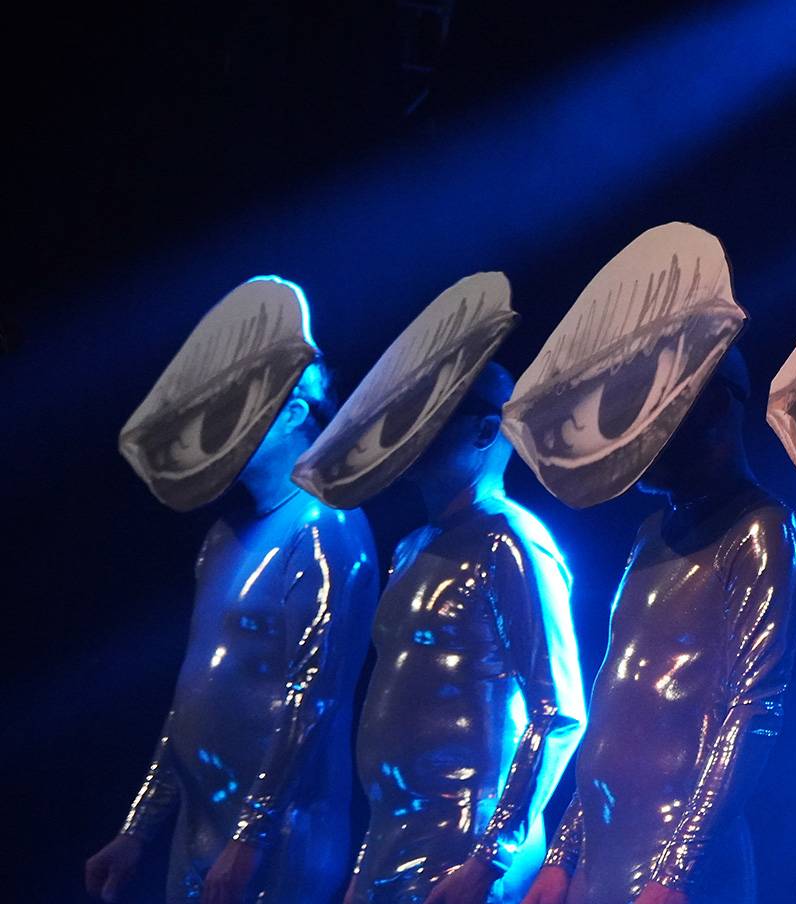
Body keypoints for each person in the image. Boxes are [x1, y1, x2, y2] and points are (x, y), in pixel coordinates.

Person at [85, 359, 379, 904]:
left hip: (279, 840)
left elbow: (316, 694)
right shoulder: (224, 536)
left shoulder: (324, 525)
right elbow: (194, 695)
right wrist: (136, 829)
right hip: (203, 829)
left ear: (293, 413)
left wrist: (252, 835)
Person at [522, 349, 796, 904]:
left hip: (676, 869)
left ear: (714, 407)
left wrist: (677, 870)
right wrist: (562, 856)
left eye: (654, 405)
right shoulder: (650, 534)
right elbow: (614, 713)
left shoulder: (762, 530)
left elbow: (755, 709)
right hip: (601, 863)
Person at [338, 363, 586, 904]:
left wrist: (490, 857)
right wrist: (364, 866)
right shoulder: (410, 549)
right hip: (392, 847)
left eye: (433, 417)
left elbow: (559, 712)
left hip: (466, 850)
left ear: (484, 430)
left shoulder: (512, 541)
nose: (411, 433)